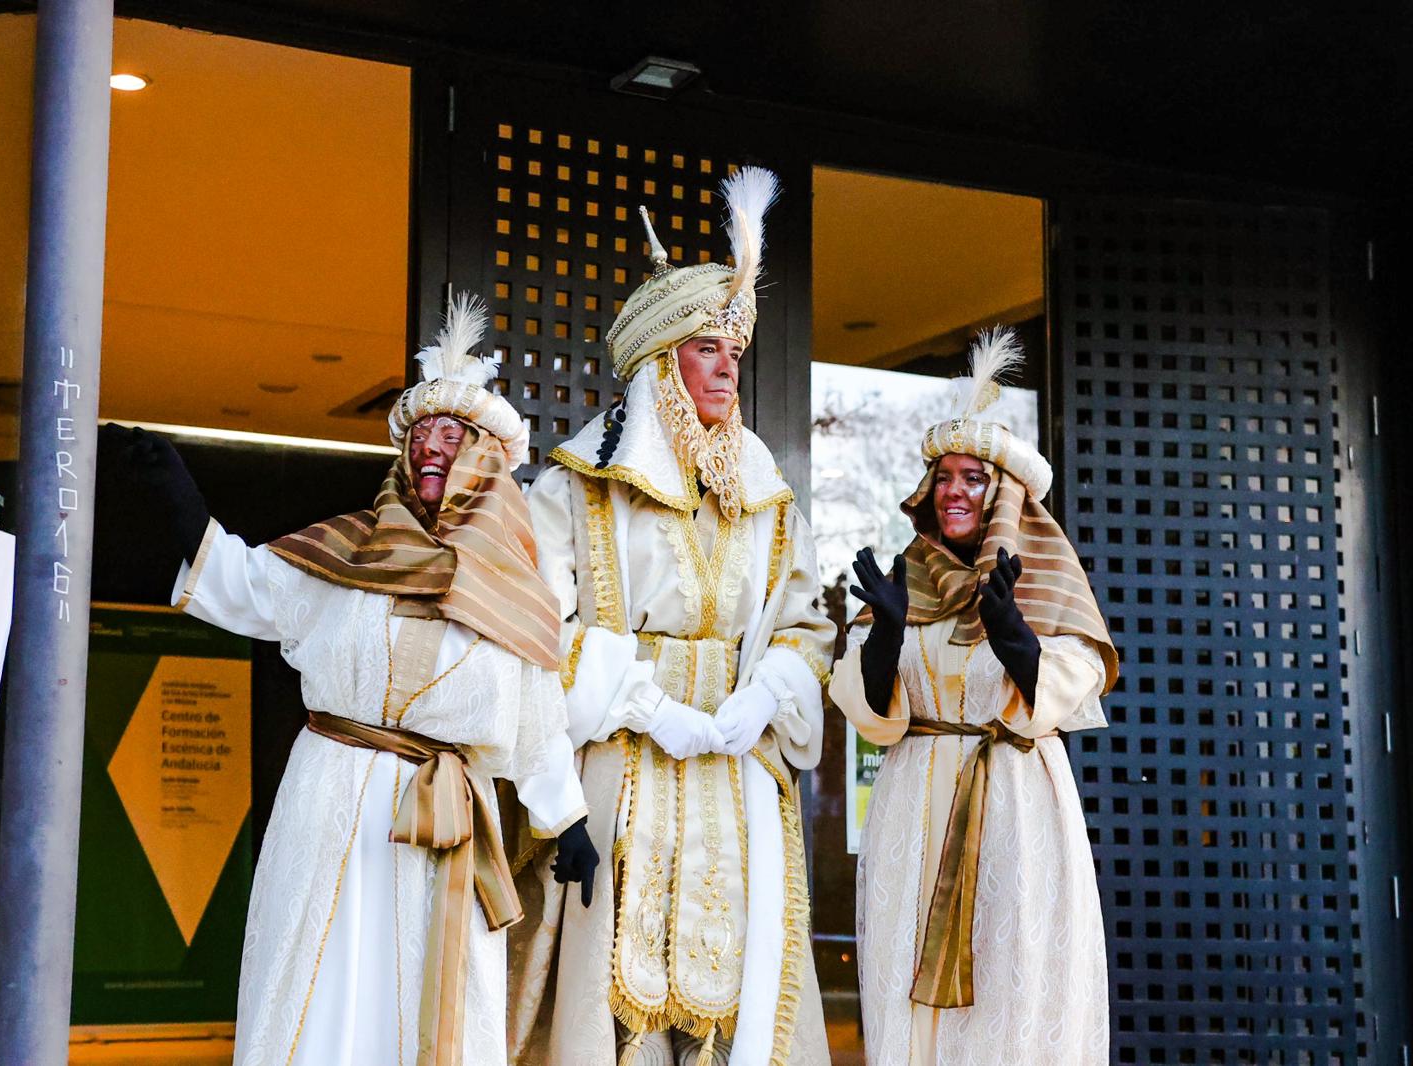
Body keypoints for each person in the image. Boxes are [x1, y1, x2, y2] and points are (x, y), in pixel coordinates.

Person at [103, 295, 599, 1066]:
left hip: (443, 833)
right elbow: (246, 586)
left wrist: (567, 822)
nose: (432, 449)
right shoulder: (346, 556)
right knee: (315, 988)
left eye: (453, 435)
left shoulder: (520, 598)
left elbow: (536, 729)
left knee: (422, 1006)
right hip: (328, 808)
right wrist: (182, 503)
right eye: (420, 436)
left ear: (488, 461)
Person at [508, 167, 835, 1066]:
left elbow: (808, 626)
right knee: (613, 998)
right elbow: (537, 631)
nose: (728, 368)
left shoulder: (769, 497)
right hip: (623, 766)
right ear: (660, 365)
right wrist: (648, 707)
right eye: (706, 350)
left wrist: (761, 697)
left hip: (736, 775)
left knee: (746, 994)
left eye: (735, 352)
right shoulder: (575, 487)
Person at [828, 328, 1117, 1065]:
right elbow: (867, 712)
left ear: (1007, 495)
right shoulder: (904, 582)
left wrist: (1014, 632)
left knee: (1012, 992)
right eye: (945, 477)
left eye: (974, 478)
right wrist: (888, 634)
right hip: (911, 811)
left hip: (1017, 811)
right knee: (905, 989)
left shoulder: (1043, 583)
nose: (954, 492)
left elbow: (1068, 686)